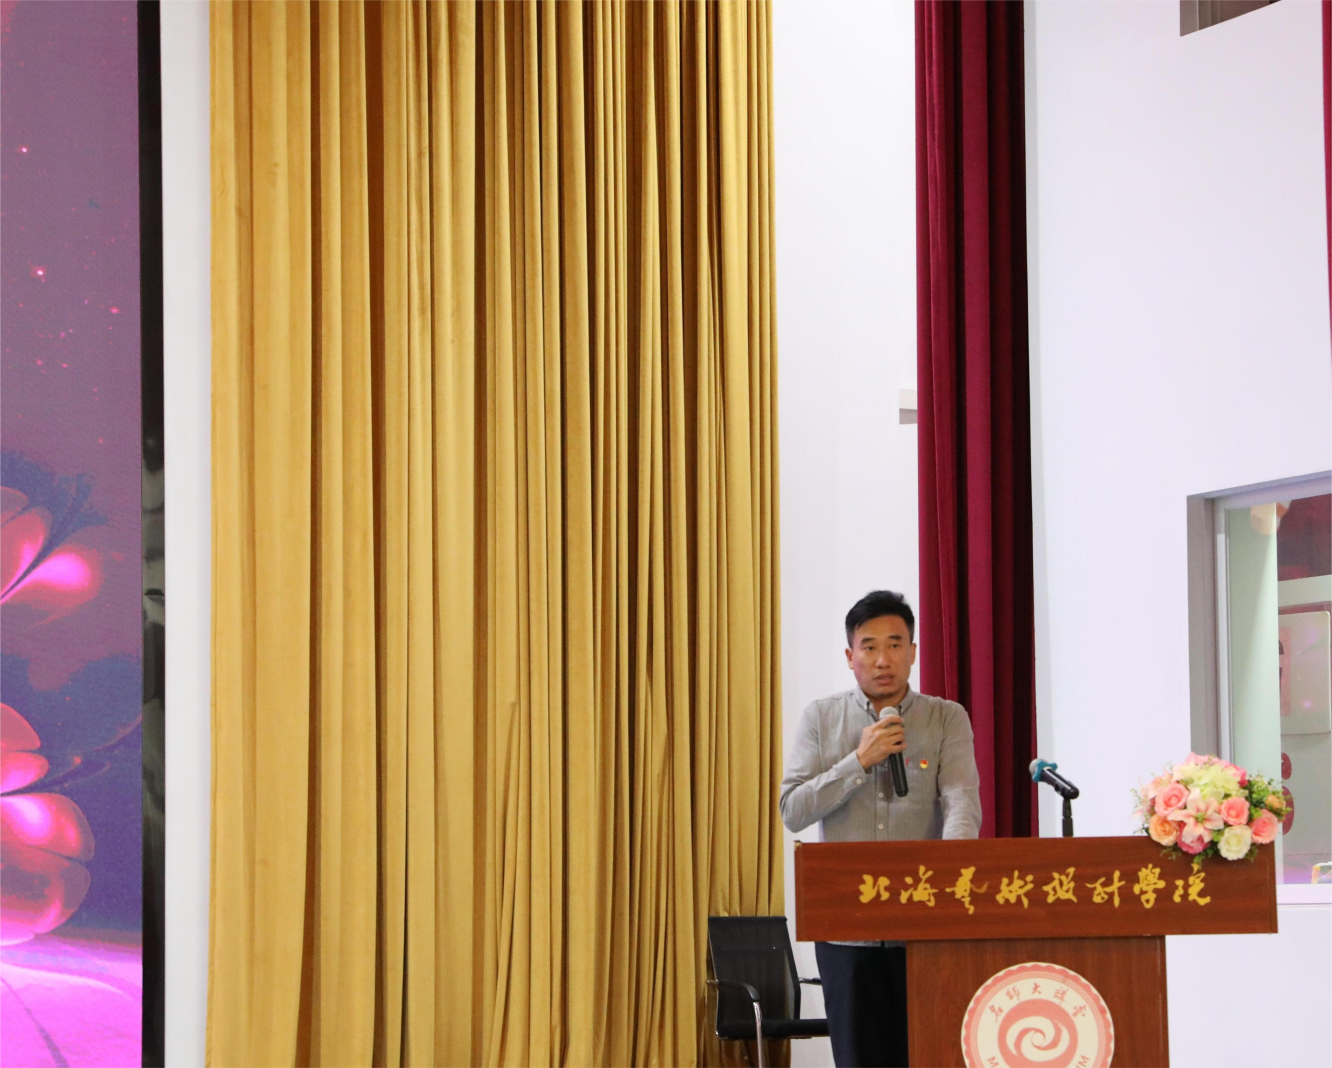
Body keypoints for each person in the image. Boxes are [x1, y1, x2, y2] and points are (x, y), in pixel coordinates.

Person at [779, 590, 981, 1068]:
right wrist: (859, 761)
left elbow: (961, 803)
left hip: (925, 928)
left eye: (895, 644)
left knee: (932, 1056)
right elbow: (793, 810)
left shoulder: (945, 717)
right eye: (869, 647)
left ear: (914, 651)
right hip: (848, 932)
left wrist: (949, 878)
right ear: (850, 656)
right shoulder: (821, 718)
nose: (883, 659)